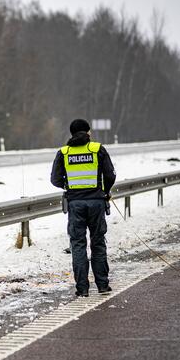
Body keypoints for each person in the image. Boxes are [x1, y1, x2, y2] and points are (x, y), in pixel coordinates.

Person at [50, 119, 116, 297]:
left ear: (71, 133)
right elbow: (110, 175)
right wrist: (105, 191)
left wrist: (70, 186)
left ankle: (82, 289)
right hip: (96, 202)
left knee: (78, 244)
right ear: (87, 132)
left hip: (75, 204)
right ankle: (102, 285)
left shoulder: (64, 152)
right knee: (98, 242)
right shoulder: (97, 149)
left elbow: (55, 180)